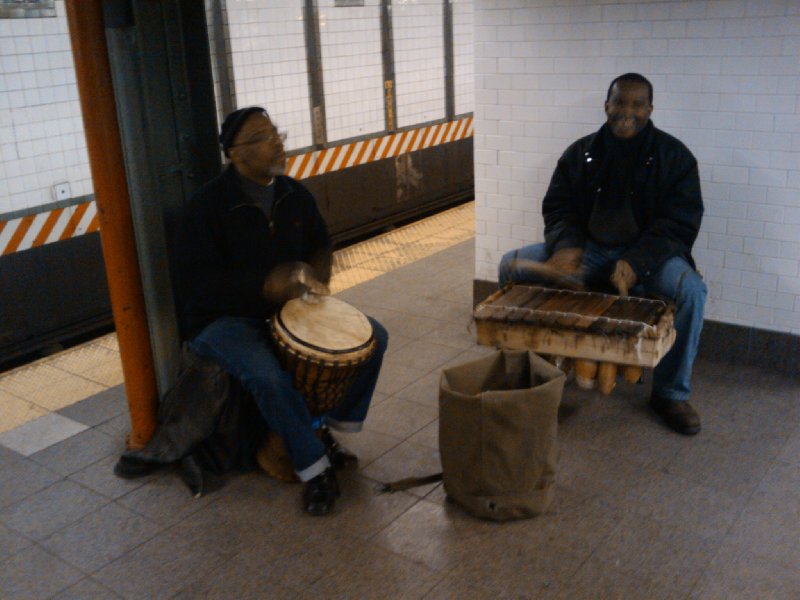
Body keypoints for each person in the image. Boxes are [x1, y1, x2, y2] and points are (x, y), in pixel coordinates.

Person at [175, 106, 388, 515]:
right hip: (222, 319)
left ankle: (323, 427)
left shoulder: (292, 193)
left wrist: (319, 280)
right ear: (236, 154)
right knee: (268, 375)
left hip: (287, 310)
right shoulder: (206, 207)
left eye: (277, 132)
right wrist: (263, 285)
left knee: (373, 338)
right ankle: (314, 469)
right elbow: (195, 284)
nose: (277, 142)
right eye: (263, 136)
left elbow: (320, 244)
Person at [498, 73, 706, 436]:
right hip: (589, 249)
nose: (627, 111)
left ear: (650, 109)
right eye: (619, 102)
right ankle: (526, 373)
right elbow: (559, 209)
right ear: (606, 105)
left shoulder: (676, 158)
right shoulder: (580, 154)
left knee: (691, 292)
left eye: (637, 104)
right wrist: (567, 249)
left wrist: (636, 263)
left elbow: (679, 224)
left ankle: (671, 393)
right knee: (509, 266)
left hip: (647, 257)